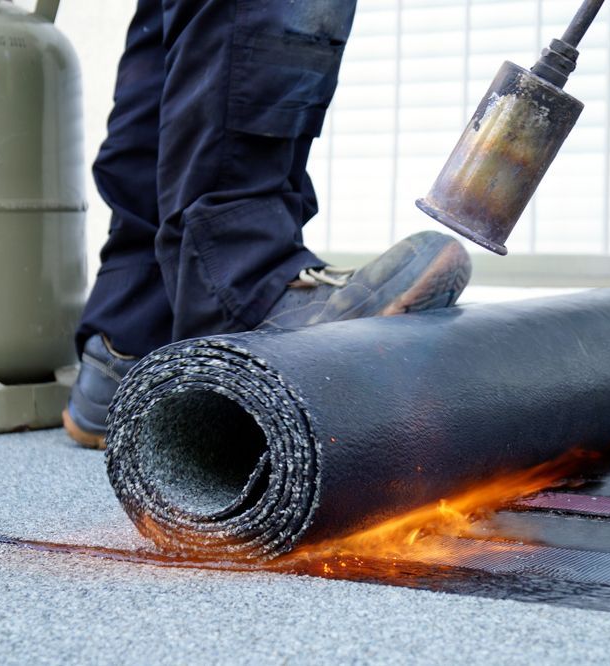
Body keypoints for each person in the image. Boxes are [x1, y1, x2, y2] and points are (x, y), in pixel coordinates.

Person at [63, 0, 473, 449]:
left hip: (135, 325)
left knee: (175, 17)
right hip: (233, 299)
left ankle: (131, 341)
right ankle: (242, 294)